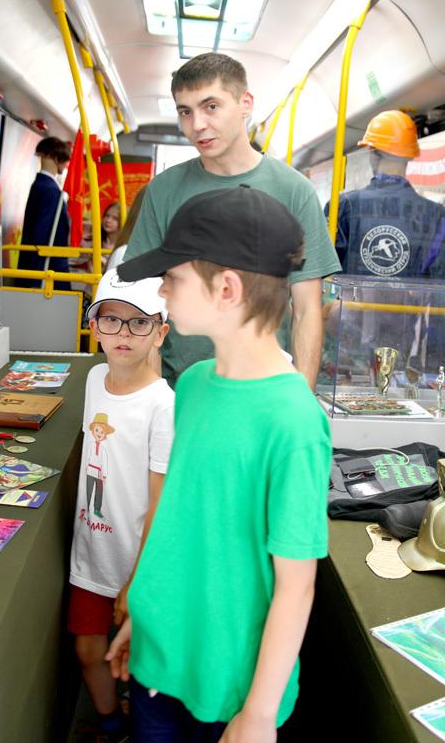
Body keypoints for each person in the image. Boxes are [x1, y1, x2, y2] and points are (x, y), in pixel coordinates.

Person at [109, 186, 330, 740]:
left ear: (226, 289)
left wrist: (259, 712)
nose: (161, 291)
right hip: (158, 658)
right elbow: (180, 519)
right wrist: (147, 612)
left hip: (232, 685)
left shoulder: (294, 422)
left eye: (172, 278)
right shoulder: (194, 385)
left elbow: (296, 586)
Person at [122, 52, 339, 389]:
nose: (197, 125)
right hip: (177, 388)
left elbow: (307, 309)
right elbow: (144, 300)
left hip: (264, 389)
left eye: (211, 106)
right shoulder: (163, 190)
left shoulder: (294, 190)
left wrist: (301, 400)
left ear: (245, 103)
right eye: (185, 111)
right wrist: (153, 396)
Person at [70, 266, 173, 742]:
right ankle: (112, 726)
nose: (123, 333)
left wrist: (137, 580)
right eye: (111, 320)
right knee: (89, 651)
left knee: (139, 662)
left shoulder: (164, 405)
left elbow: (159, 502)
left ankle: (137, 725)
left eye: (139, 322)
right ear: (94, 327)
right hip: (91, 553)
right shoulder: (94, 379)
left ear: (161, 332)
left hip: (139, 563)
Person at [332, 110, 445, 279]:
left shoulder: (342, 206)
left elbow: (324, 274)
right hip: (411, 298)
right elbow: (442, 281)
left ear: (372, 152)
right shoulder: (438, 216)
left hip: (352, 298)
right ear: (410, 157)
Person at [16, 136, 72, 289]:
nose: (66, 164)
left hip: (34, 266)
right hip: (46, 270)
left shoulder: (40, 185)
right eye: (65, 160)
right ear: (56, 158)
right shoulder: (51, 191)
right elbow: (43, 237)